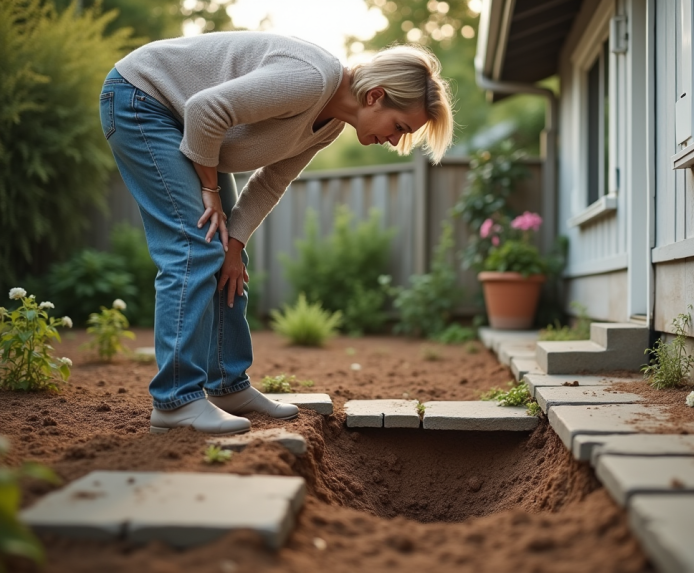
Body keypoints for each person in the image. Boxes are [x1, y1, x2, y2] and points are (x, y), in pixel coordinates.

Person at [99, 32, 454, 435]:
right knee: (194, 246)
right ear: (375, 95)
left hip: (179, 118)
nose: (395, 141)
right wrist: (210, 191)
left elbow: (270, 182)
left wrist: (236, 244)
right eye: (400, 126)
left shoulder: (329, 125)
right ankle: (175, 402)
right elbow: (204, 109)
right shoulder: (310, 79)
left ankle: (227, 386)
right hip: (142, 99)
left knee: (226, 251)